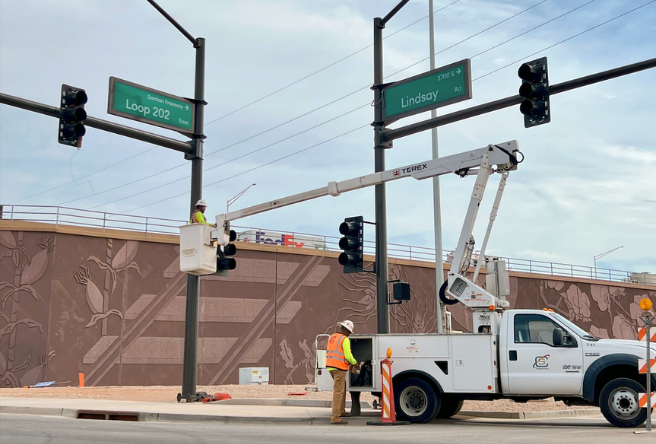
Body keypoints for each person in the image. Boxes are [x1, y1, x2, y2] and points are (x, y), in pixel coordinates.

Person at [325, 320, 360, 425]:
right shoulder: (344, 339)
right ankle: (335, 417)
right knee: (338, 392)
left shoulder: (332, 337)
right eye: (349, 332)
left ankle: (341, 411)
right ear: (345, 329)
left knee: (342, 388)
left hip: (331, 366)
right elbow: (348, 356)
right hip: (339, 367)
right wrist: (355, 363)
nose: (349, 334)